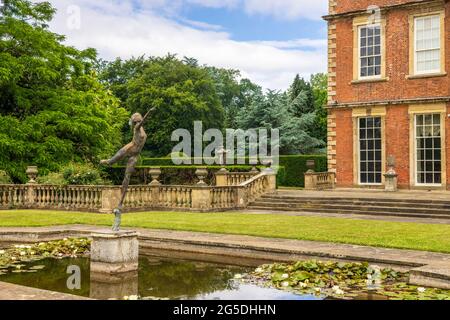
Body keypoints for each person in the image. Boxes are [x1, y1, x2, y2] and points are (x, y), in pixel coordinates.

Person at [100, 107, 154, 231]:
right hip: (129, 148)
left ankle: (120, 204)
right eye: (138, 118)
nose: (139, 119)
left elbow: (143, 124)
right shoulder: (137, 128)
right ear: (137, 121)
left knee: (127, 178)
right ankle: (107, 161)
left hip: (135, 154)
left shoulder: (142, 130)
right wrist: (149, 113)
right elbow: (143, 121)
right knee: (111, 161)